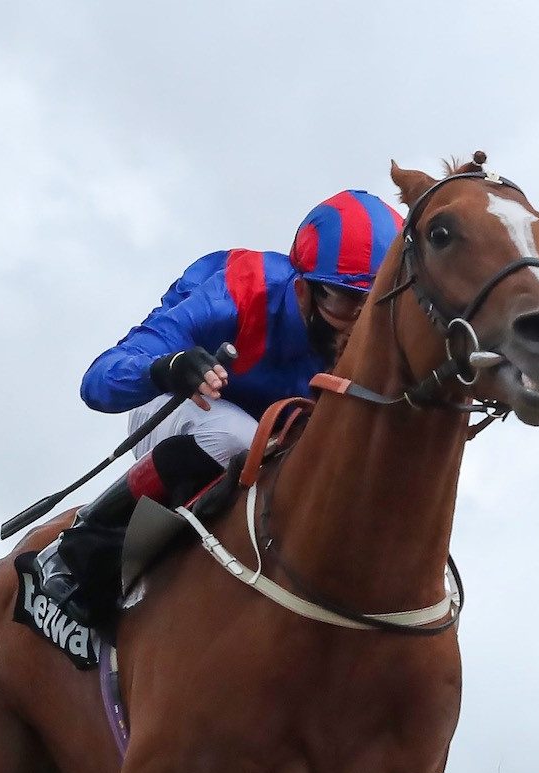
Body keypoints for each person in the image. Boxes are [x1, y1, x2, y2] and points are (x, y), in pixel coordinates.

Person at [34, 189, 405, 627]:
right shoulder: (238, 289)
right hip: (177, 407)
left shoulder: (386, 335)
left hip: (275, 443)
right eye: (344, 300)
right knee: (236, 438)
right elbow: (98, 383)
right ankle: (77, 550)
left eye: (377, 302)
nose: (362, 325)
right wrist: (168, 369)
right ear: (303, 290)